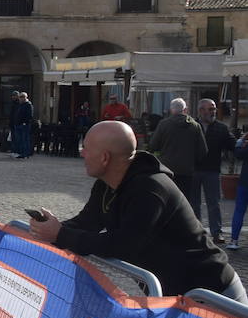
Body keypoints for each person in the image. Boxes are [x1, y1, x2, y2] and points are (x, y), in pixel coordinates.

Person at [28, 120, 246, 303]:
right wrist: (45, 231)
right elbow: (87, 222)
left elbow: (123, 245)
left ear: (105, 158)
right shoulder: (106, 183)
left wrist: (61, 234)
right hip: (176, 296)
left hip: (212, 293)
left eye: (86, 148)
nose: (82, 153)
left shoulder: (150, 188)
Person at [146, 98, 206, 203]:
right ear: (185, 109)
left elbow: (153, 146)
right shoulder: (195, 126)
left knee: (166, 199)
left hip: (167, 169)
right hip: (187, 170)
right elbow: (203, 150)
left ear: (171, 110)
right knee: (185, 201)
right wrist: (192, 162)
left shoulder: (164, 124)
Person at [191, 99, 233, 243]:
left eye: (213, 109)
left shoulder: (221, 127)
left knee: (214, 203)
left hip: (212, 170)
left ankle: (216, 233)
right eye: (209, 109)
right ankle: (196, 232)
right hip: (193, 170)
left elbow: (231, 144)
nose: (212, 112)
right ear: (201, 110)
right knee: (194, 203)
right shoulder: (191, 126)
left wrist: (241, 144)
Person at [10, 91, 34, 159]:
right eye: (19, 97)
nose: (19, 98)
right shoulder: (21, 105)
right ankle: (21, 153)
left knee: (24, 140)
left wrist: (24, 122)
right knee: (19, 140)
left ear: (25, 97)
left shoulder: (28, 105)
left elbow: (30, 116)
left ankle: (25, 154)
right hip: (18, 125)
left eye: (21, 97)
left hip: (24, 125)